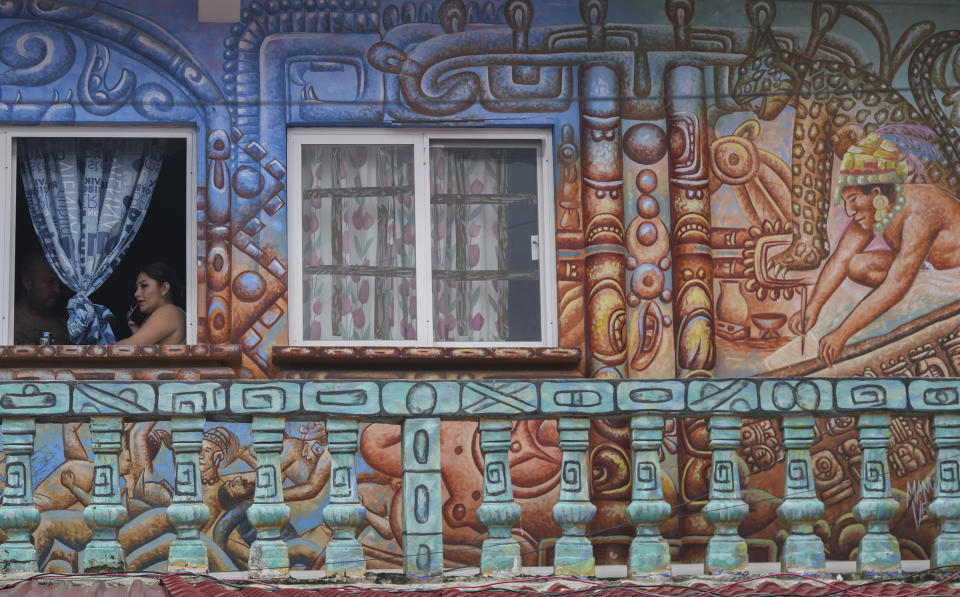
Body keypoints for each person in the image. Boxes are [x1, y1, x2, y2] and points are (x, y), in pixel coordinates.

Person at [802, 131, 960, 367]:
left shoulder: (920, 213)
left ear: (875, 193)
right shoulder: (879, 208)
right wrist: (812, 307)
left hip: (952, 277)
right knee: (858, 265)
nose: (849, 211)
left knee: (894, 286)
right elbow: (841, 259)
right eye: (846, 202)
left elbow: (897, 283)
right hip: (921, 272)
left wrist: (843, 333)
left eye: (853, 199)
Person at [117, 262, 186, 345]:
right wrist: (139, 333)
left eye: (144, 286)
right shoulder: (175, 313)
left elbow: (126, 348)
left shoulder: (169, 311)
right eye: (137, 288)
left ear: (164, 288)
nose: (136, 293)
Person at [13, 252, 68, 344]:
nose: (57, 289)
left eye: (59, 283)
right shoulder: (5, 322)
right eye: (50, 281)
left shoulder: (65, 326)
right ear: (28, 282)